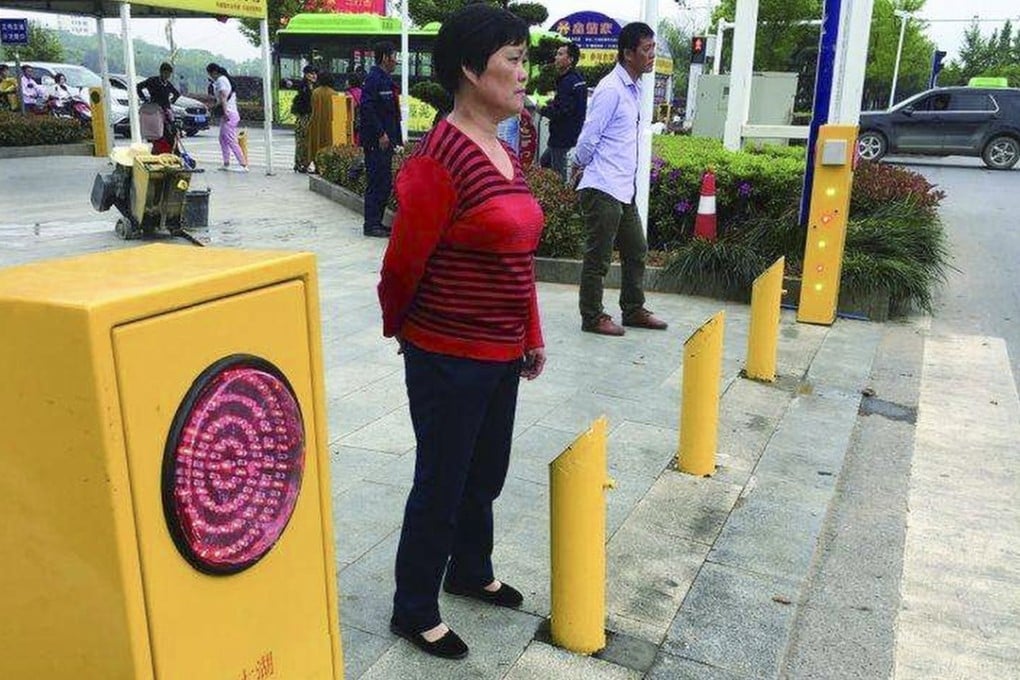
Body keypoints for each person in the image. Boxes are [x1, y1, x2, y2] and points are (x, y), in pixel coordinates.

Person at [377, 3, 546, 661]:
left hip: (502, 350)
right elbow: (400, 267)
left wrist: (529, 332)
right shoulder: (437, 159)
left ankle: (470, 570)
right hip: (447, 353)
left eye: (524, 59)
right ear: (473, 70)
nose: (524, 73)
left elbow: (517, 256)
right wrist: (409, 335)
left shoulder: (505, 151)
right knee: (442, 483)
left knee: (486, 475)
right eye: (514, 59)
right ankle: (413, 607)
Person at [572, 22, 668, 336]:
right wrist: (580, 165)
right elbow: (588, 138)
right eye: (646, 49)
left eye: (653, 48)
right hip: (602, 185)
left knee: (636, 249)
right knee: (598, 257)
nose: (652, 55)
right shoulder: (610, 89)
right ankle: (592, 316)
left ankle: (633, 309)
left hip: (623, 187)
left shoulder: (635, 87)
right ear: (628, 54)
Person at [359, 41, 402, 238]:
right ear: (385, 57)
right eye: (394, 56)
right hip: (377, 142)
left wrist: (397, 139)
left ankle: (377, 221)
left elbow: (392, 113)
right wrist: (380, 133)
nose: (396, 60)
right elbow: (366, 108)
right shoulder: (374, 79)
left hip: (386, 142)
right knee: (377, 181)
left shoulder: (385, 79)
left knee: (384, 181)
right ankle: (371, 224)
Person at [539, 41, 587, 182]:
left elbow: (561, 111)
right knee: (545, 161)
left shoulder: (567, 82)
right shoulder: (577, 79)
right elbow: (570, 105)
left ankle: (560, 201)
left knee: (558, 176)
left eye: (560, 54)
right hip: (571, 133)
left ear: (570, 60)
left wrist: (542, 109)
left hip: (562, 136)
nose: (556, 57)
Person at [206, 62, 248, 173]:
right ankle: (226, 163)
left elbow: (223, 97)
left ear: (214, 72)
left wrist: (225, 113)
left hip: (229, 114)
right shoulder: (224, 80)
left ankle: (243, 164)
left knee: (230, 139)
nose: (210, 77)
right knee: (223, 139)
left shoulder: (221, 80)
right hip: (230, 113)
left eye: (210, 74)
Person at [306, 71, 339, 173]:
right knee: (328, 143)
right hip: (330, 124)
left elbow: (312, 108)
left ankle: (317, 165)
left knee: (316, 144)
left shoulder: (315, 92)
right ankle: (328, 168)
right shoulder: (334, 93)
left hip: (316, 122)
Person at [290, 64, 318, 173]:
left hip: (312, 116)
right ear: (306, 75)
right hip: (303, 116)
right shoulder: (302, 86)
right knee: (302, 140)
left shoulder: (316, 87)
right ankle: (300, 163)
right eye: (311, 73)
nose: (314, 75)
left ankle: (305, 163)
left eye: (315, 73)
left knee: (309, 141)